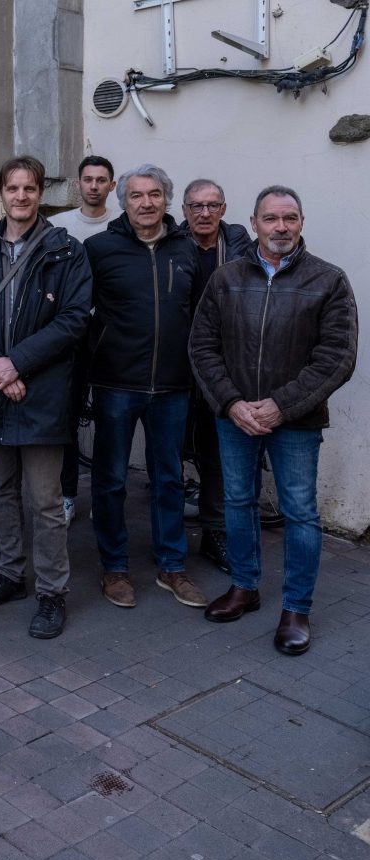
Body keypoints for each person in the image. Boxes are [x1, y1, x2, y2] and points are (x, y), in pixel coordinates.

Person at [190, 186, 357, 655]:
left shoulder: (329, 280)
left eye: (289, 218)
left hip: (297, 422)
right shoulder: (226, 278)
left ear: (301, 221)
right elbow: (202, 346)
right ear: (254, 222)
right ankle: (245, 587)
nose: (280, 227)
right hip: (235, 417)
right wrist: (233, 404)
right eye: (270, 219)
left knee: (300, 514)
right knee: (238, 502)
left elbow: (337, 357)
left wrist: (281, 405)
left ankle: (296, 608)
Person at [0, 156, 91, 640]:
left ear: (39, 194)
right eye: (13, 188)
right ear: (1, 193)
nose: (22, 196)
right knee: (2, 490)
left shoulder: (66, 251)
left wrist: (18, 363)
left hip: (42, 393)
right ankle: (10, 574)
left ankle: (52, 592)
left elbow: (74, 320)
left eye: (30, 188)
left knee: (47, 501)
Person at [85, 164, 208, 611]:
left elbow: (199, 317)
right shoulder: (99, 249)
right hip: (117, 383)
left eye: (154, 194)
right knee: (111, 479)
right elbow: (81, 316)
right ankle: (114, 567)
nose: (146, 203)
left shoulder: (186, 249)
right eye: (136, 195)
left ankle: (171, 566)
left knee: (169, 480)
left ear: (166, 199)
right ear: (123, 201)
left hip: (173, 386)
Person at [178, 178, 253, 575]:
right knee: (168, 451)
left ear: (224, 208)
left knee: (216, 454)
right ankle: (167, 536)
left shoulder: (242, 248)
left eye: (212, 205)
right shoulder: (173, 246)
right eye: (196, 206)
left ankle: (215, 533)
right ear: (184, 210)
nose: (204, 213)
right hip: (174, 363)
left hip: (224, 366)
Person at [49, 155, 116, 522]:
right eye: (88, 179)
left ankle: (105, 496)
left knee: (110, 419)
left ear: (112, 185)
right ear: (79, 183)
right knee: (69, 417)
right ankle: (68, 492)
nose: (93, 185)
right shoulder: (59, 226)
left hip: (109, 336)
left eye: (101, 179)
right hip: (70, 336)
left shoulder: (122, 226)